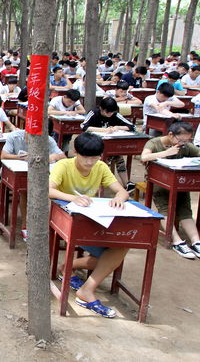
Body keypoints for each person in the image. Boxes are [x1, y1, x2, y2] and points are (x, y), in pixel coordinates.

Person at [48, 133, 131, 319]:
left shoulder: (100, 167)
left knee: (121, 246)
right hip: (69, 218)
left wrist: (118, 198)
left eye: (95, 157)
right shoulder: (64, 165)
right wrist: (74, 198)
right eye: (86, 157)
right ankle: (82, 285)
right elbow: (49, 189)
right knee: (111, 254)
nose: (91, 162)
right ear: (76, 152)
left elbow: (121, 191)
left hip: (94, 220)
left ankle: (82, 284)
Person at [139, 122, 200, 259]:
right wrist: (166, 153)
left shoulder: (185, 146)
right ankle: (177, 241)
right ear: (171, 135)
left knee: (185, 208)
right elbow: (144, 157)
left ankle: (196, 241)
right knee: (165, 208)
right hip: (158, 182)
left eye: (187, 140)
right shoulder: (154, 143)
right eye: (181, 140)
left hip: (179, 181)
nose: (184, 143)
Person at [0, 130, 66, 240]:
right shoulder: (15, 136)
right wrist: (21, 157)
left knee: (52, 190)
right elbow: (3, 156)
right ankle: (26, 225)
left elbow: (63, 157)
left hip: (41, 173)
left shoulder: (48, 140)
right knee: (26, 191)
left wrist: (53, 157)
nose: (31, 139)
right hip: (15, 171)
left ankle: (49, 225)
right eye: (29, 135)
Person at [80, 97, 137, 190]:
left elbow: (132, 126)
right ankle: (95, 183)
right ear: (101, 108)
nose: (110, 114)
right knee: (102, 161)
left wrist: (118, 127)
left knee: (119, 158)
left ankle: (127, 184)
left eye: (112, 112)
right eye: (107, 112)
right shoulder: (94, 113)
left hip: (110, 144)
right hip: (94, 145)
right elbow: (83, 126)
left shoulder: (115, 114)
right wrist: (103, 130)